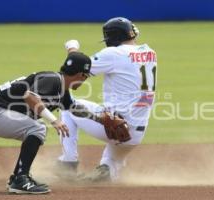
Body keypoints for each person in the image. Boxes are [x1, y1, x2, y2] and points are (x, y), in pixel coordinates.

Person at [0, 51, 106, 194]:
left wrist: (100, 120)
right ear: (81, 75)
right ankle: (20, 180)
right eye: (86, 76)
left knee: (36, 127)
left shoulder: (61, 88)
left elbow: (74, 108)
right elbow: (30, 96)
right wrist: (54, 120)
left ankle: (18, 177)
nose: (85, 80)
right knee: (38, 128)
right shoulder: (53, 79)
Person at [57, 17, 157, 182]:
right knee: (108, 167)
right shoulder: (150, 53)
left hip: (113, 125)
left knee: (68, 106)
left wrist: (72, 48)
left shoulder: (114, 53)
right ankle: (107, 169)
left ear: (112, 39)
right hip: (136, 133)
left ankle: (68, 163)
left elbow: (74, 69)